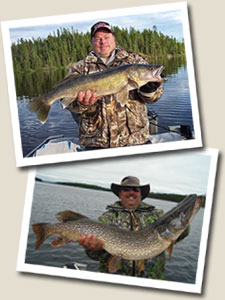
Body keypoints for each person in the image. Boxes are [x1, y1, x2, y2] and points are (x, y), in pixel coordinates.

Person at [62, 21, 163, 150]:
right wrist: (82, 104)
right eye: (98, 39)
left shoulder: (134, 61)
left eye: (106, 37)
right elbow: (67, 104)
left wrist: (149, 90)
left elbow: (155, 98)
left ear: (113, 39)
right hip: (96, 143)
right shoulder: (80, 68)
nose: (103, 42)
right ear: (92, 42)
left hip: (135, 140)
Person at [78, 176, 189, 279]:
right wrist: (92, 249)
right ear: (120, 194)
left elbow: (178, 234)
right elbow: (94, 256)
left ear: (140, 195)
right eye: (126, 189)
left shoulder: (157, 215)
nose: (131, 192)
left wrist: (185, 223)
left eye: (136, 189)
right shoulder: (107, 218)